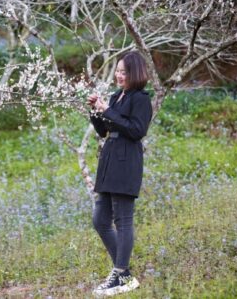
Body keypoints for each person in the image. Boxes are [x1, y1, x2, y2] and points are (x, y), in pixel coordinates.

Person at [87, 51, 153, 297]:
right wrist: (96, 111)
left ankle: (120, 272)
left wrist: (109, 111)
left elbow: (137, 130)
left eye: (124, 71)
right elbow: (104, 130)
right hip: (110, 159)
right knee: (100, 219)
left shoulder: (141, 99)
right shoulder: (116, 97)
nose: (118, 75)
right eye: (118, 71)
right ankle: (123, 275)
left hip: (127, 159)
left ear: (135, 73)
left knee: (122, 219)